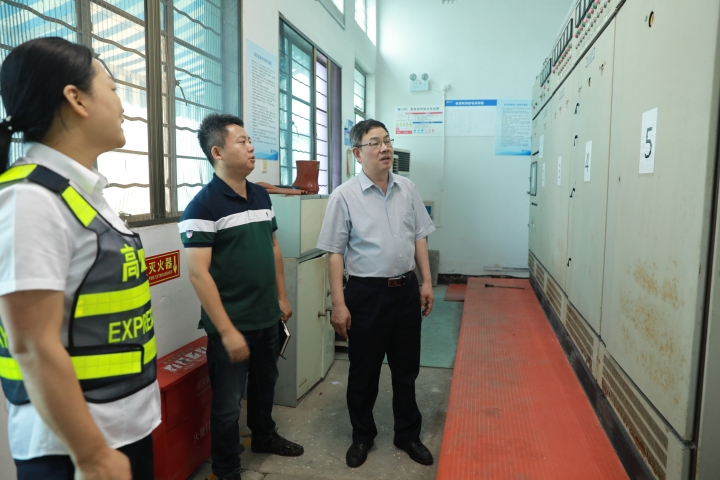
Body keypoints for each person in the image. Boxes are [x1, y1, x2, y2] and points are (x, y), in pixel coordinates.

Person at [0, 38, 160, 480]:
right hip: (72, 448)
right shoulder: (30, 199)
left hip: (118, 427)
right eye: (113, 88)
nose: (122, 105)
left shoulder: (81, 192)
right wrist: (92, 455)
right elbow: (32, 344)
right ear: (77, 99)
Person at [179, 114, 304, 480]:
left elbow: (273, 245)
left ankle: (263, 436)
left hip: (267, 316)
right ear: (217, 152)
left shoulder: (260, 194)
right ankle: (226, 469)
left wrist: (282, 296)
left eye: (250, 140)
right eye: (242, 142)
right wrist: (227, 331)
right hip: (231, 324)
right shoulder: (201, 207)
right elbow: (198, 274)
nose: (251, 148)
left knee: (265, 386)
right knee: (227, 406)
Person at [316, 119, 436, 468]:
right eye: (375, 143)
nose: (385, 148)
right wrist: (339, 304)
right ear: (357, 153)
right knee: (364, 371)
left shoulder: (408, 189)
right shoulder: (344, 196)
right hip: (366, 294)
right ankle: (362, 436)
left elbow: (420, 236)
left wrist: (426, 282)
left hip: (405, 291)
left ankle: (407, 434)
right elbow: (334, 253)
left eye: (387, 141)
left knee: (406, 369)